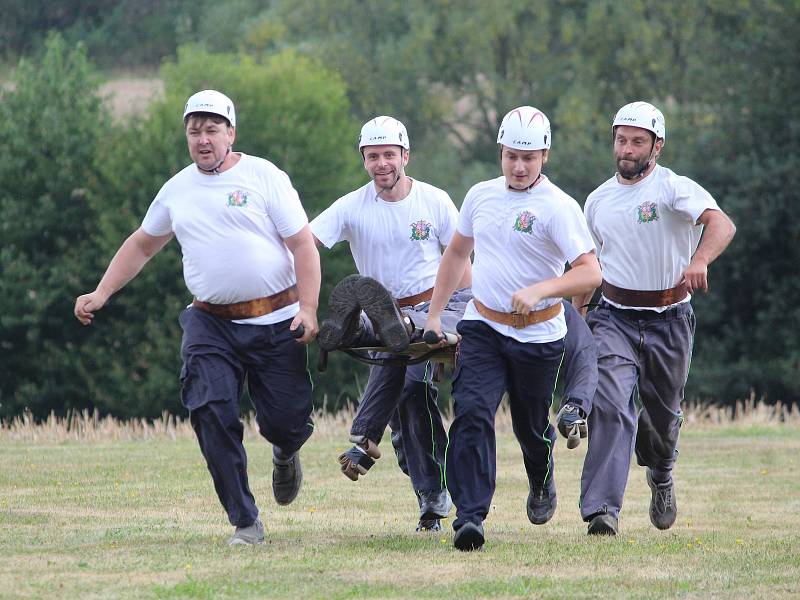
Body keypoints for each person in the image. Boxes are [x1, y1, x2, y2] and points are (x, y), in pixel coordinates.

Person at [73, 89, 321, 546]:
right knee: (210, 409)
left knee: (285, 420)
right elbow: (143, 244)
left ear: (231, 133)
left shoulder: (264, 176)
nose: (203, 139)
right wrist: (102, 292)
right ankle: (245, 522)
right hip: (210, 323)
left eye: (211, 130)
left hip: (276, 319)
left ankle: (286, 449)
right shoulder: (177, 189)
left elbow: (303, 245)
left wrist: (307, 308)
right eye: (194, 131)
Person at [424, 106, 602, 551]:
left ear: (545, 156)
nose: (519, 167)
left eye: (529, 157)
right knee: (471, 413)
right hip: (482, 326)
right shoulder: (480, 195)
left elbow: (590, 273)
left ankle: (541, 476)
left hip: (539, 336)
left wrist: (542, 290)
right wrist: (433, 314)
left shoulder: (559, 207)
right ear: (500, 152)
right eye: (510, 156)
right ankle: (470, 517)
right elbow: (457, 254)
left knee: (530, 426)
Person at [572, 101, 736, 536]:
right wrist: (578, 314)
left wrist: (700, 259)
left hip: (669, 318)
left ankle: (660, 473)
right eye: (621, 140)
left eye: (637, 141)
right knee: (609, 404)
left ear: (657, 146)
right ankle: (602, 511)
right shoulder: (597, 200)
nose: (627, 149)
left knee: (662, 419)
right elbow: (592, 264)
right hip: (614, 318)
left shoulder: (675, 188)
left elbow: (721, 224)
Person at [310, 116, 472, 532]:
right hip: (383, 314)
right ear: (363, 159)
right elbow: (304, 243)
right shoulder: (351, 205)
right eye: (372, 156)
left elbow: (462, 265)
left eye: (388, 155)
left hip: (434, 306)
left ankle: (371, 443)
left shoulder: (434, 201)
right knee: (406, 396)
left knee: (413, 387)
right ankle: (348, 327)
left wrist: (461, 315)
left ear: (405, 156)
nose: (381, 163)